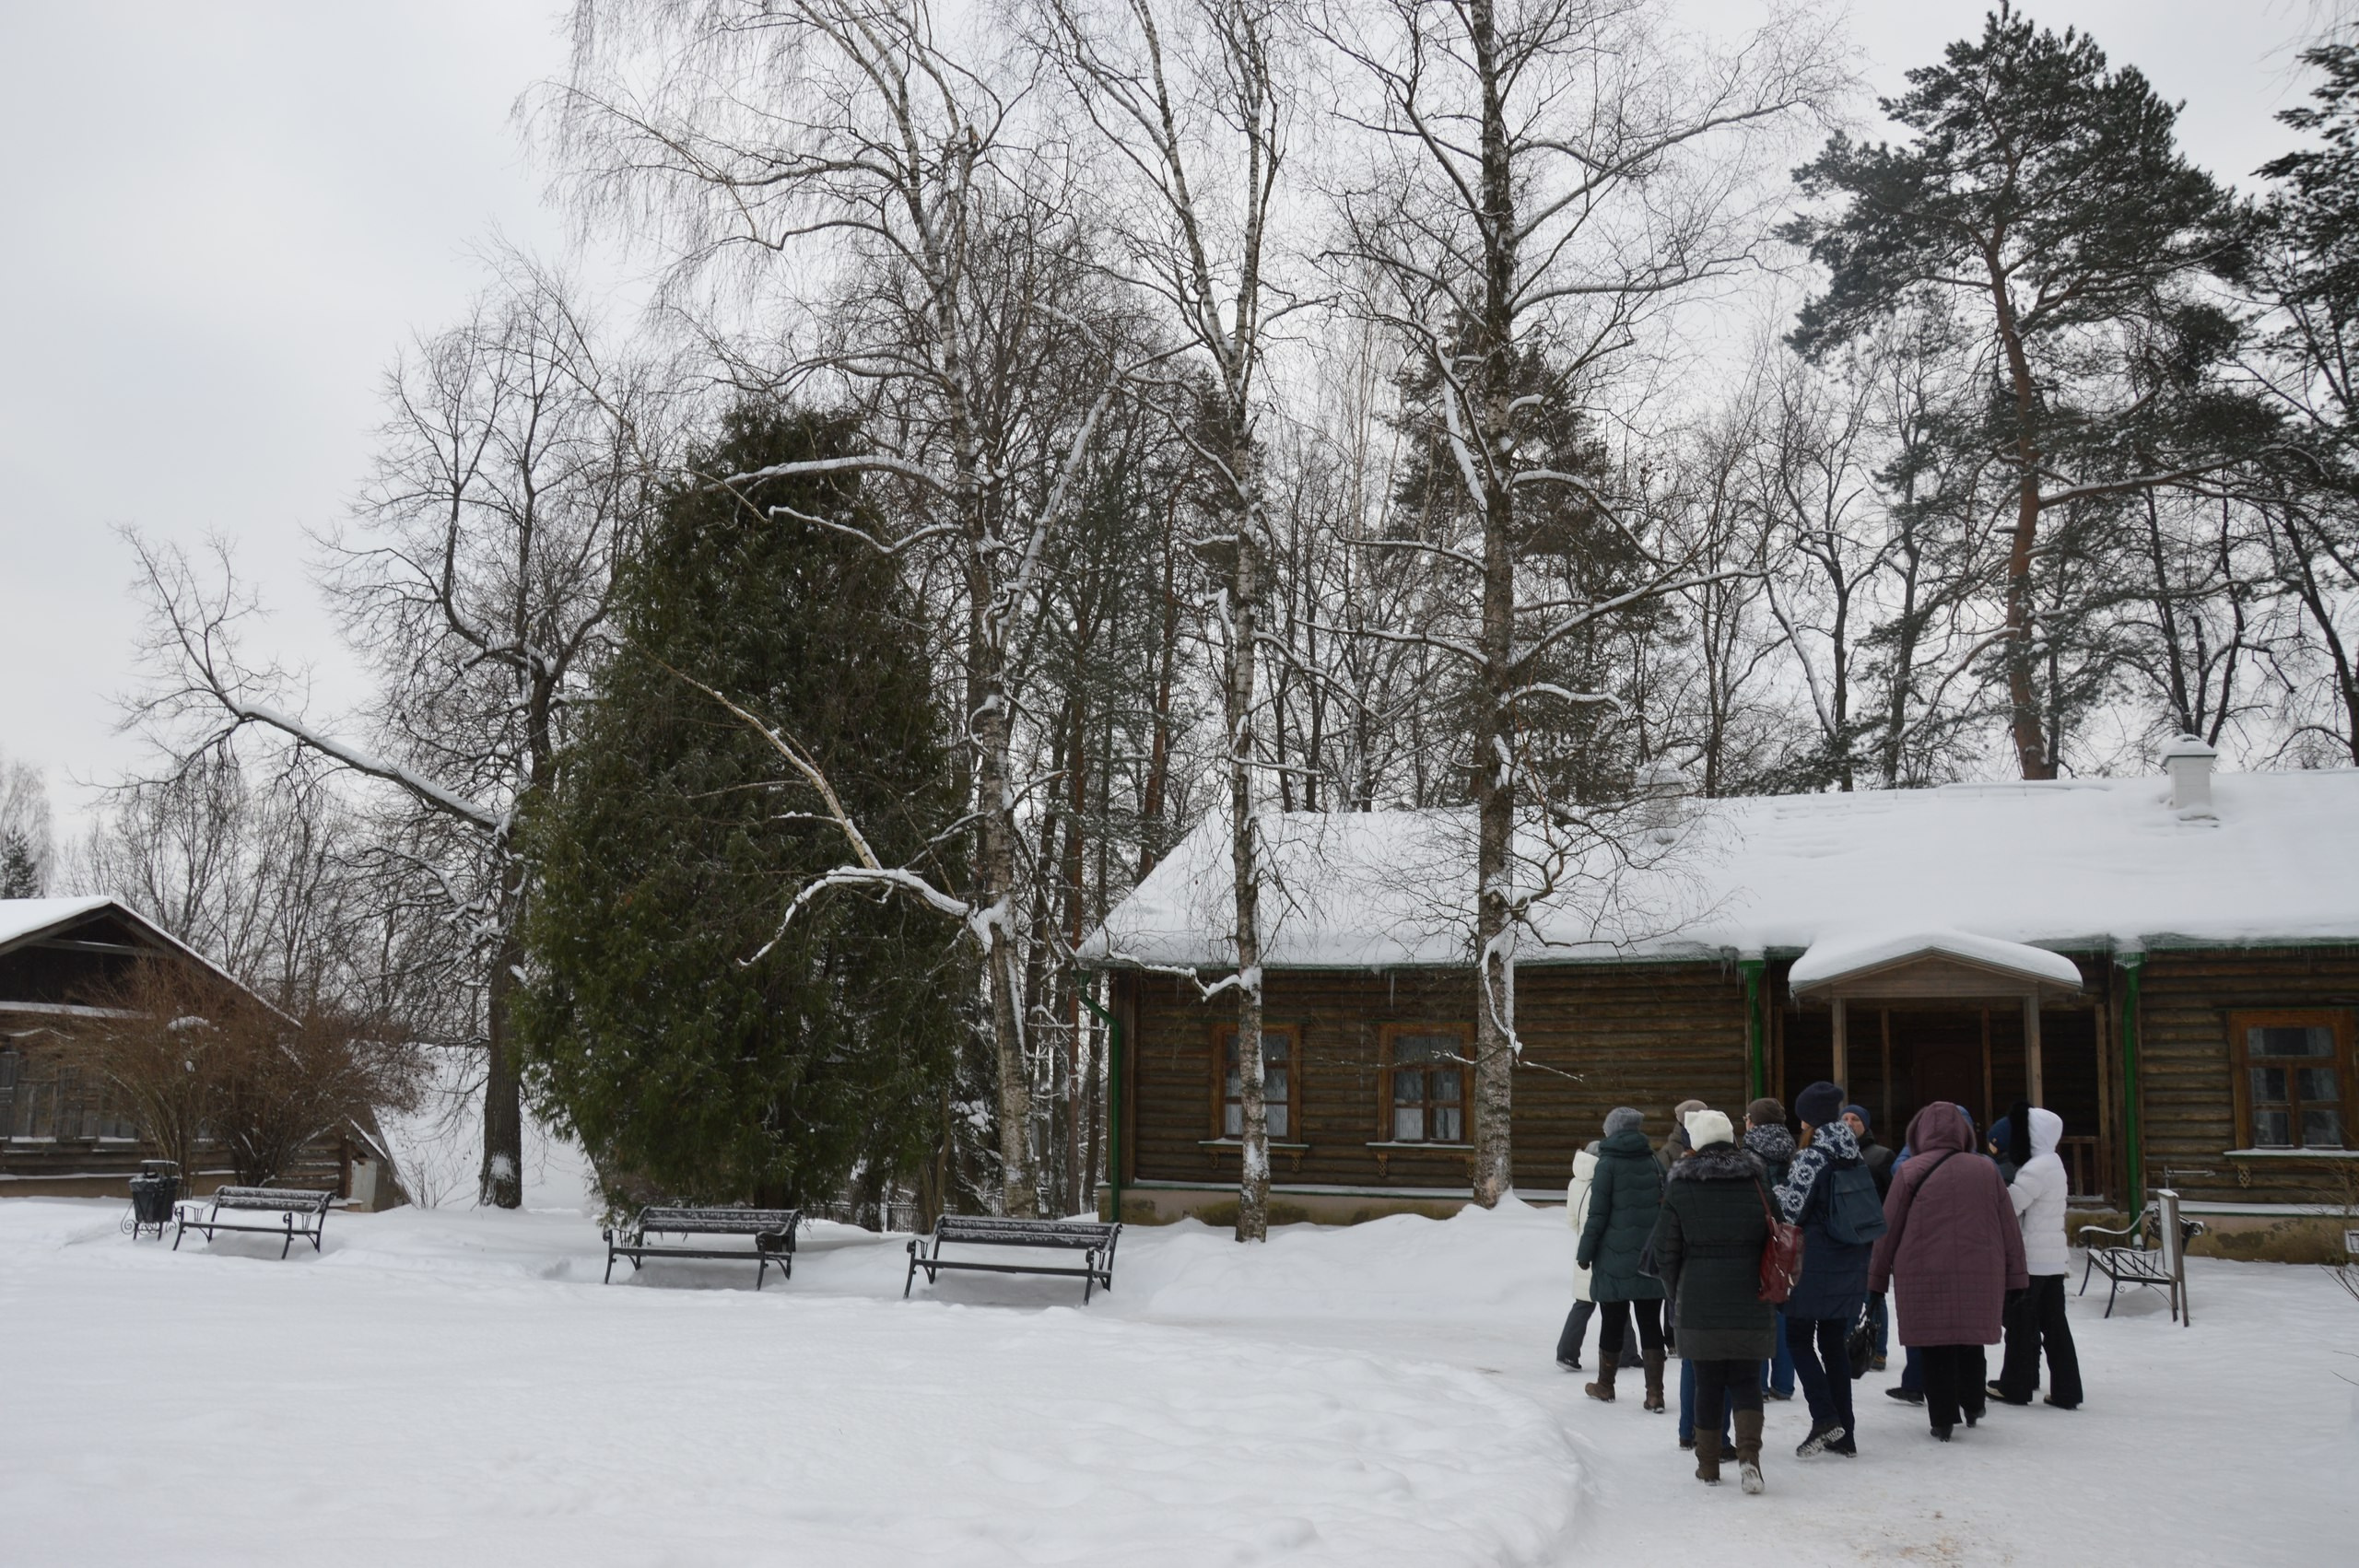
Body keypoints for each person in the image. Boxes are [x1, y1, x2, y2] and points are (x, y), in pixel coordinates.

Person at [1867, 1102, 2028, 1441]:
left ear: (1919, 1133)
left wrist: (1876, 1279)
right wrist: (2017, 1277)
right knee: (1971, 1341)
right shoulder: (1986, 1170)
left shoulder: (1910, 1171)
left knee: (1934, 1344)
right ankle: (1972, 1404)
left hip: (1923, 1271)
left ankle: (1942, 1419)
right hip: (1980, 1270)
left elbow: (1889, 1228)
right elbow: (2008, 1227)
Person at [1651, 1108, 1777, 1492]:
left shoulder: (1680, 1185)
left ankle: (1707, 1465)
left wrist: (1677, 1293)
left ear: (1695, 1141)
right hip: (1750, 1295)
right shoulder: (1757, 1180)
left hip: (1699, 1297)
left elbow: (1665, 1252)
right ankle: (1750, 1458)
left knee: (1706, 1382)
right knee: (1746, 1380)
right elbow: (1776, 1231)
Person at [1778, 1080, 1884, 1459]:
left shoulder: (1812, 1158)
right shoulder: (1852, 1152)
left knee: (1797, 1340)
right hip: (1850, 1261)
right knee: (1833, 1345)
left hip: (1815, 1265)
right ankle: (1846, 1434)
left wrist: (1775, 1189)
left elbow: (1793, 1210)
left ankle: (1824, 1417)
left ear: (1809, 1117)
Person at [1991, 1106, 2085, 1410]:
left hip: (2031, 1261)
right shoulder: (2054, 1162)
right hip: (2053, 1260)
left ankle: (2015, 1386)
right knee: (2055, 1325)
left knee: (2019, 1325)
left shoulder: (2037, 1167)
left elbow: (2010, 1205)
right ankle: (2067, 1390)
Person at [1577, 1107, 1668, 1409]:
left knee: (1613, 1321)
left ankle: (1606, 1385)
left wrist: (1584, 1253)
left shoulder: (1607, 1164)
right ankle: (1655, 1393)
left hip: (1613, 1258)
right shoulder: (1654, 1161)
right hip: (1649, 1259)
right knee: (1650, 1322)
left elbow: (1597, 1215)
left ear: (1612, 1130)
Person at [1743, 1097, 1799, 1401]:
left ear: (1753, 1121)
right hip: (1790, 1238)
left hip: (1759, 1237)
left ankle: (1760, 1384)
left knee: (1760, 1308)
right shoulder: (1794, 1150)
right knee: (1783, 1305)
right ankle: (1785, 1383)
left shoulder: (1748, 1154)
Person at [1844, 1104, 1895, 1369]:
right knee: (1846, 1291)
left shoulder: (1881, 1156)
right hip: (1843, 1233)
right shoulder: (1837, 1154)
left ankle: (1878, 1349)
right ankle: (1849, 1343)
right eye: (1845, 1118)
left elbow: (1892, 1196)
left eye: (1855, 1119)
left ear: (1865, 1124)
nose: (1850, 1123)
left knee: (1871, 1291)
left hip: (1872, 1233)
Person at [1556, 1141, 1607, 1371]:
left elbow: (1572, 1221)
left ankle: (1566, 1353)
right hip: (1605, 1249)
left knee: (1584, 1303)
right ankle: (1627, 1354)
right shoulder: (1605, 1181)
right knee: (1615, 1300)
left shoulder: (1575, 1181)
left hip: (1582, 1249)